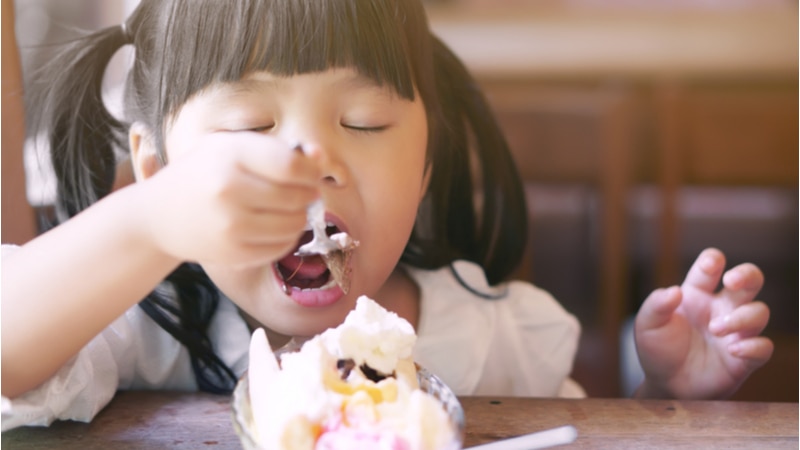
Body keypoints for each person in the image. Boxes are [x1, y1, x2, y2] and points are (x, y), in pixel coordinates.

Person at [1, 0, 772, 430]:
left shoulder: (491, 334)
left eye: (364, 122)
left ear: (427, 160)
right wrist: (149, 222)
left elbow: (569, 437)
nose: (314, 159)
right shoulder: (149, 331)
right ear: (157, 168)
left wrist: (669, 396)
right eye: (251, 128)